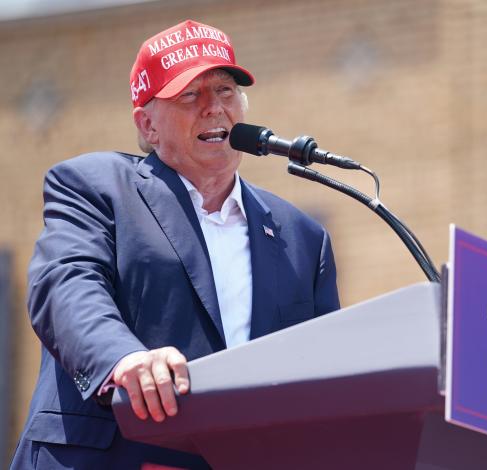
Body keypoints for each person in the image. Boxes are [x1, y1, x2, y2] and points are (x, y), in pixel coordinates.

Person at [10, 19, 339, 469]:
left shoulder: (302, 236)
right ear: (147, 125)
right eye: (189, 95)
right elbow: (65, 286)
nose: (213, 108)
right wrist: (122, 358)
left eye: (225, 90)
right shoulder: (95, 186)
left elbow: (325, 374)